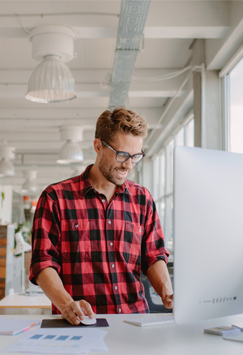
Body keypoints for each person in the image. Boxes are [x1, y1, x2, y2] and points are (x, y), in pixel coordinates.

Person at [29, 107, 173, 325]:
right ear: (98, 146)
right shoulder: (55, 198)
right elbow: (43, 263)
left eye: (136, 156)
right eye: (122, 154)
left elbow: (154, 256)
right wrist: (67, 304)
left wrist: (167, 293)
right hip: (80, 325)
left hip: (134, 323)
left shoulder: (143, 199)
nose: (128, 164)